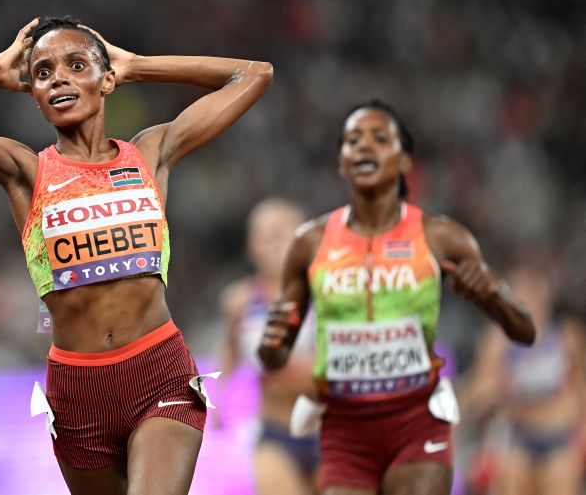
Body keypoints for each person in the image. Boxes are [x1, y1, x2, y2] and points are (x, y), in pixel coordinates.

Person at [0, 16, 273, 495]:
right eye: (44, 72)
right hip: (77, 392)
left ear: (106, 78)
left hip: (160, 374)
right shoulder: (24, 170)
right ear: (33, 93)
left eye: (76, 65)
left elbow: (255, 74)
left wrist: (140, 67)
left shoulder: (151, 153)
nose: (60, 78)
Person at [257, 100, 536, 495]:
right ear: (341, 162)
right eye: (352, 140)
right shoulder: (310, 243)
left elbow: (524, 329)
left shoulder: (442, 237)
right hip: (345, 429)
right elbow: (274, 356)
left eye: (379, 138)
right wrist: (271, 344)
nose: (364, 147)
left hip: (417, 421)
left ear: (405, 161)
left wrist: (490, 294)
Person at [218, 198, 319, 495]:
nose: (276, 241)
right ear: (252, 246)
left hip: (330, 432)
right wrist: (216, 409)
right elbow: (229, 357)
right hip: (275, 432)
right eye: (267, 234)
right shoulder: (239, 301)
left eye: (284, 231)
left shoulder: (327, 294)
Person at [460, 261, 586, 495]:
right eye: (521, 292)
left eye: (534, 291)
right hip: (517, 438)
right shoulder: (498, 341)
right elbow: (476, 393)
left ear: (546, 294)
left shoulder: (567, 335)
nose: (529, 298)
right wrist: (494, 391)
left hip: (559, 437)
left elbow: (582, 386)